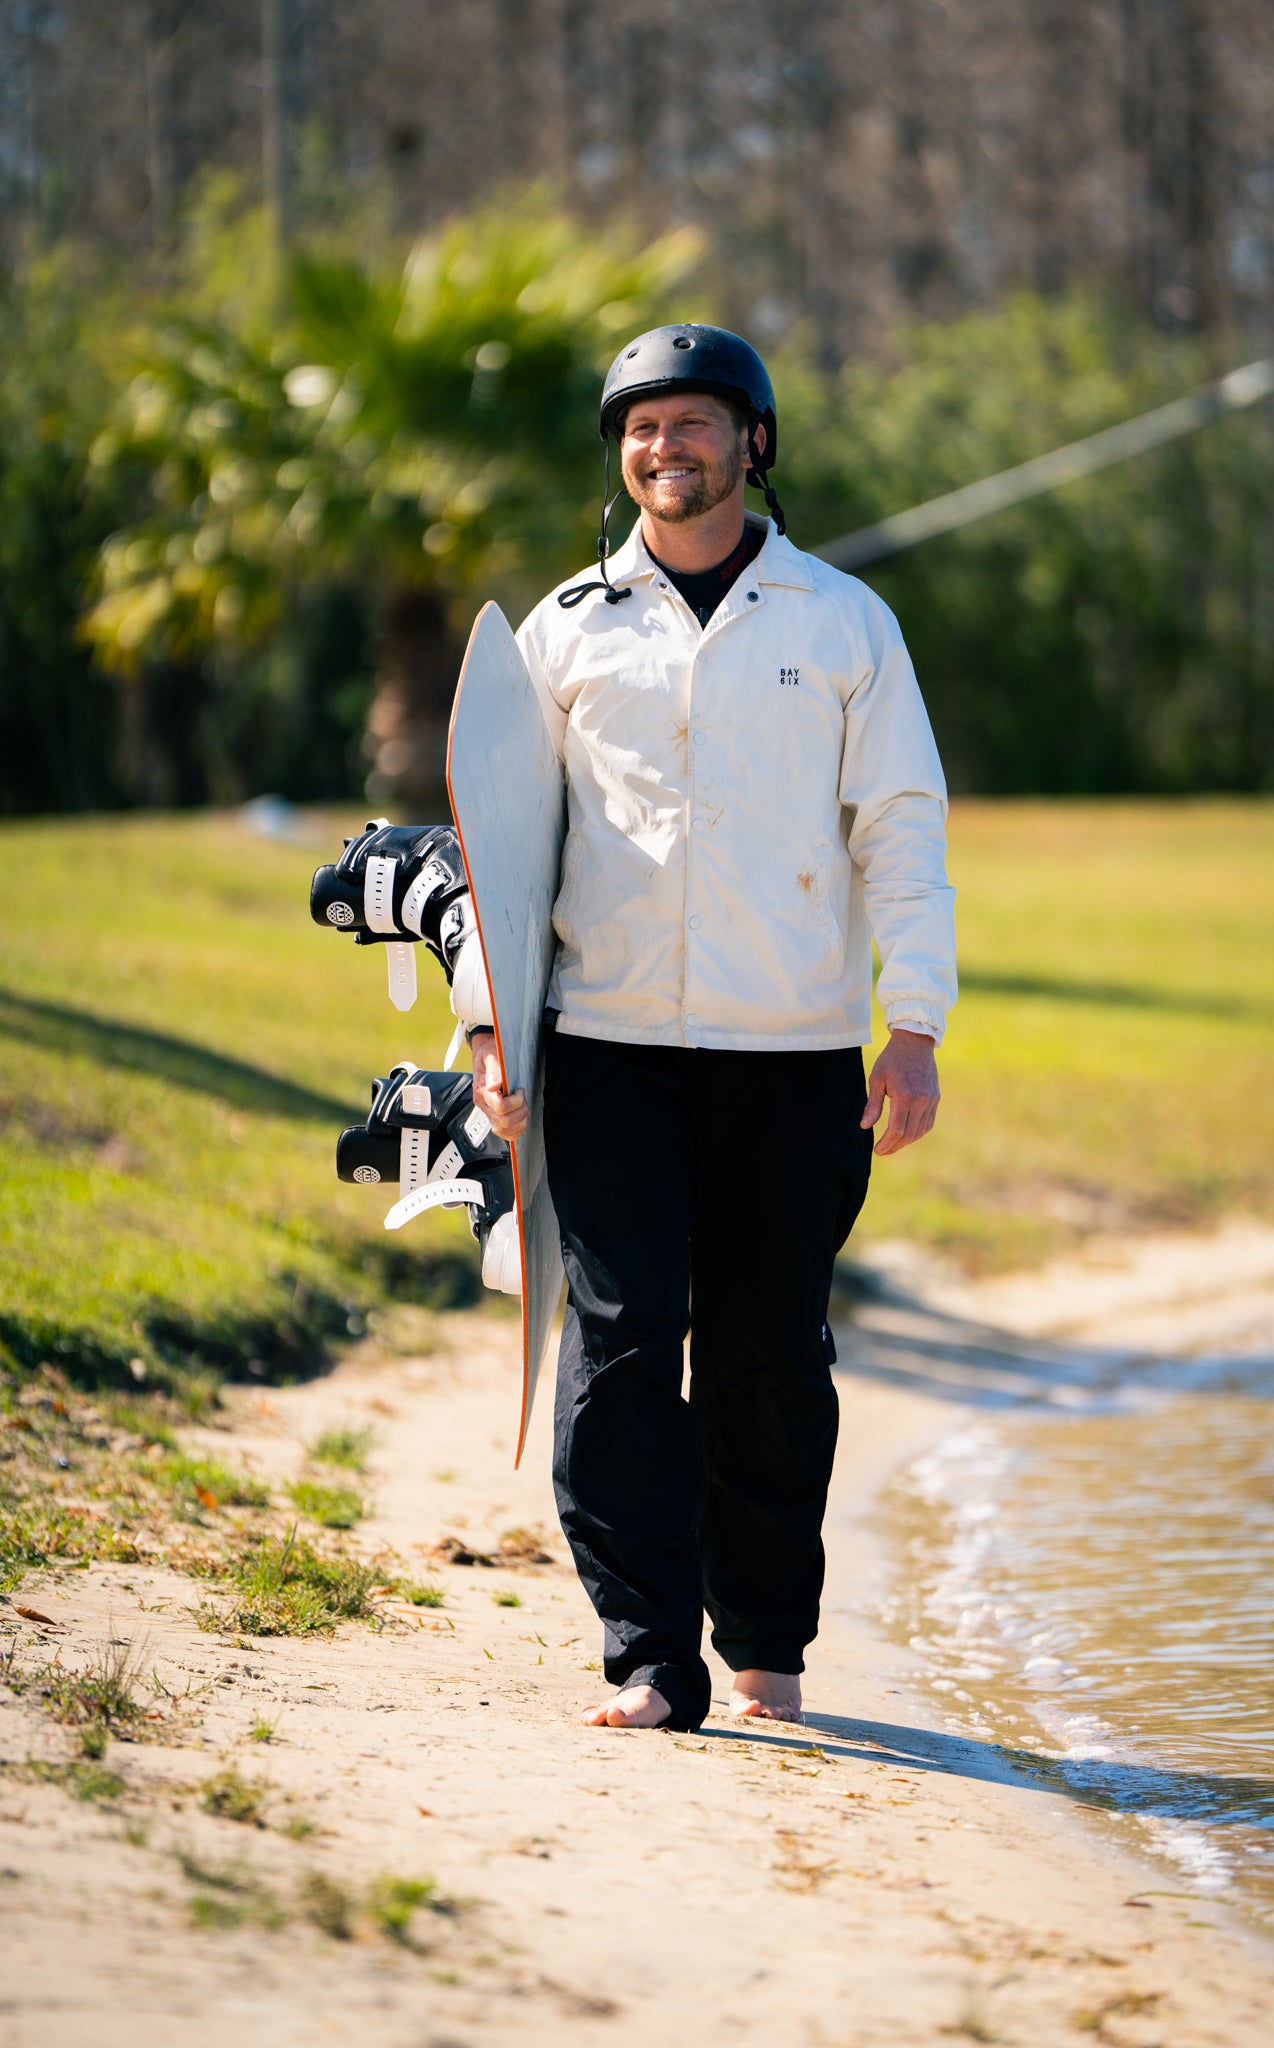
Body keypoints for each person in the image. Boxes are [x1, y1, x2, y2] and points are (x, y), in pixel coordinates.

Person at [470, 323, 955, 1734]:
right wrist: (489, 1029)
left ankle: (764, 1643)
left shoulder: (842, 623)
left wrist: (909, 1024)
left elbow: (901, 833)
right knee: (619, 1350)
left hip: (793, 1061)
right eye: (640, 427)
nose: (663, 449)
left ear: (753, 442)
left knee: (767, 1359)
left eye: (692, 424)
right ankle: (646, 1654)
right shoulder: (564, 629)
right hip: (608, 1053)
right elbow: (502, 853)